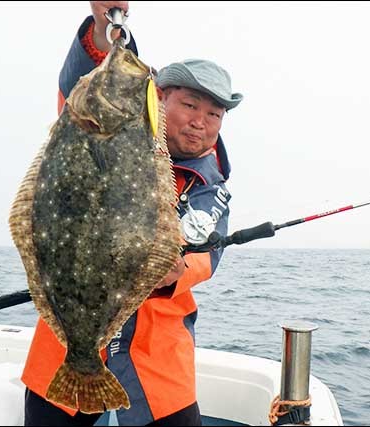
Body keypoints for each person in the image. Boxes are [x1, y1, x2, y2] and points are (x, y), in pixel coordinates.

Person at [22, 2, 243, 425]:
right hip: (66, 345)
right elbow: (89, 75)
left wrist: (177, 269)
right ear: (158, 98)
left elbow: (205, 256)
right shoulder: (99, 125)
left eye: (213, 113)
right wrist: (107, 24)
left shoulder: (211, 186)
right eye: (191, 105)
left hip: (157, 359)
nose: (200, 122)